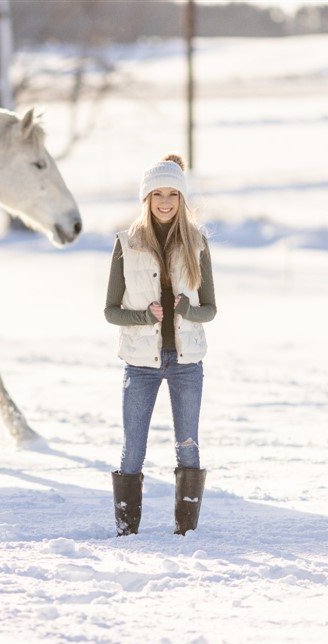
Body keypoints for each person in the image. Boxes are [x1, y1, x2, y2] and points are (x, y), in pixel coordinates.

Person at [104, 154, 216, 536]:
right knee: (133, 448)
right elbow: (111, 311)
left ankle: (185, 531)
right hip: (140, 363)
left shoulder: (197, 244)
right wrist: (144, 318)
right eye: (157, 194)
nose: (165, 201)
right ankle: (127, 531)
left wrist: (186, 307)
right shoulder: (126, 244)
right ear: (146, 199)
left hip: (187, 362)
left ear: (182, 199)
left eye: (172, 194)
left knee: (188, 446)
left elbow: (210, 310)